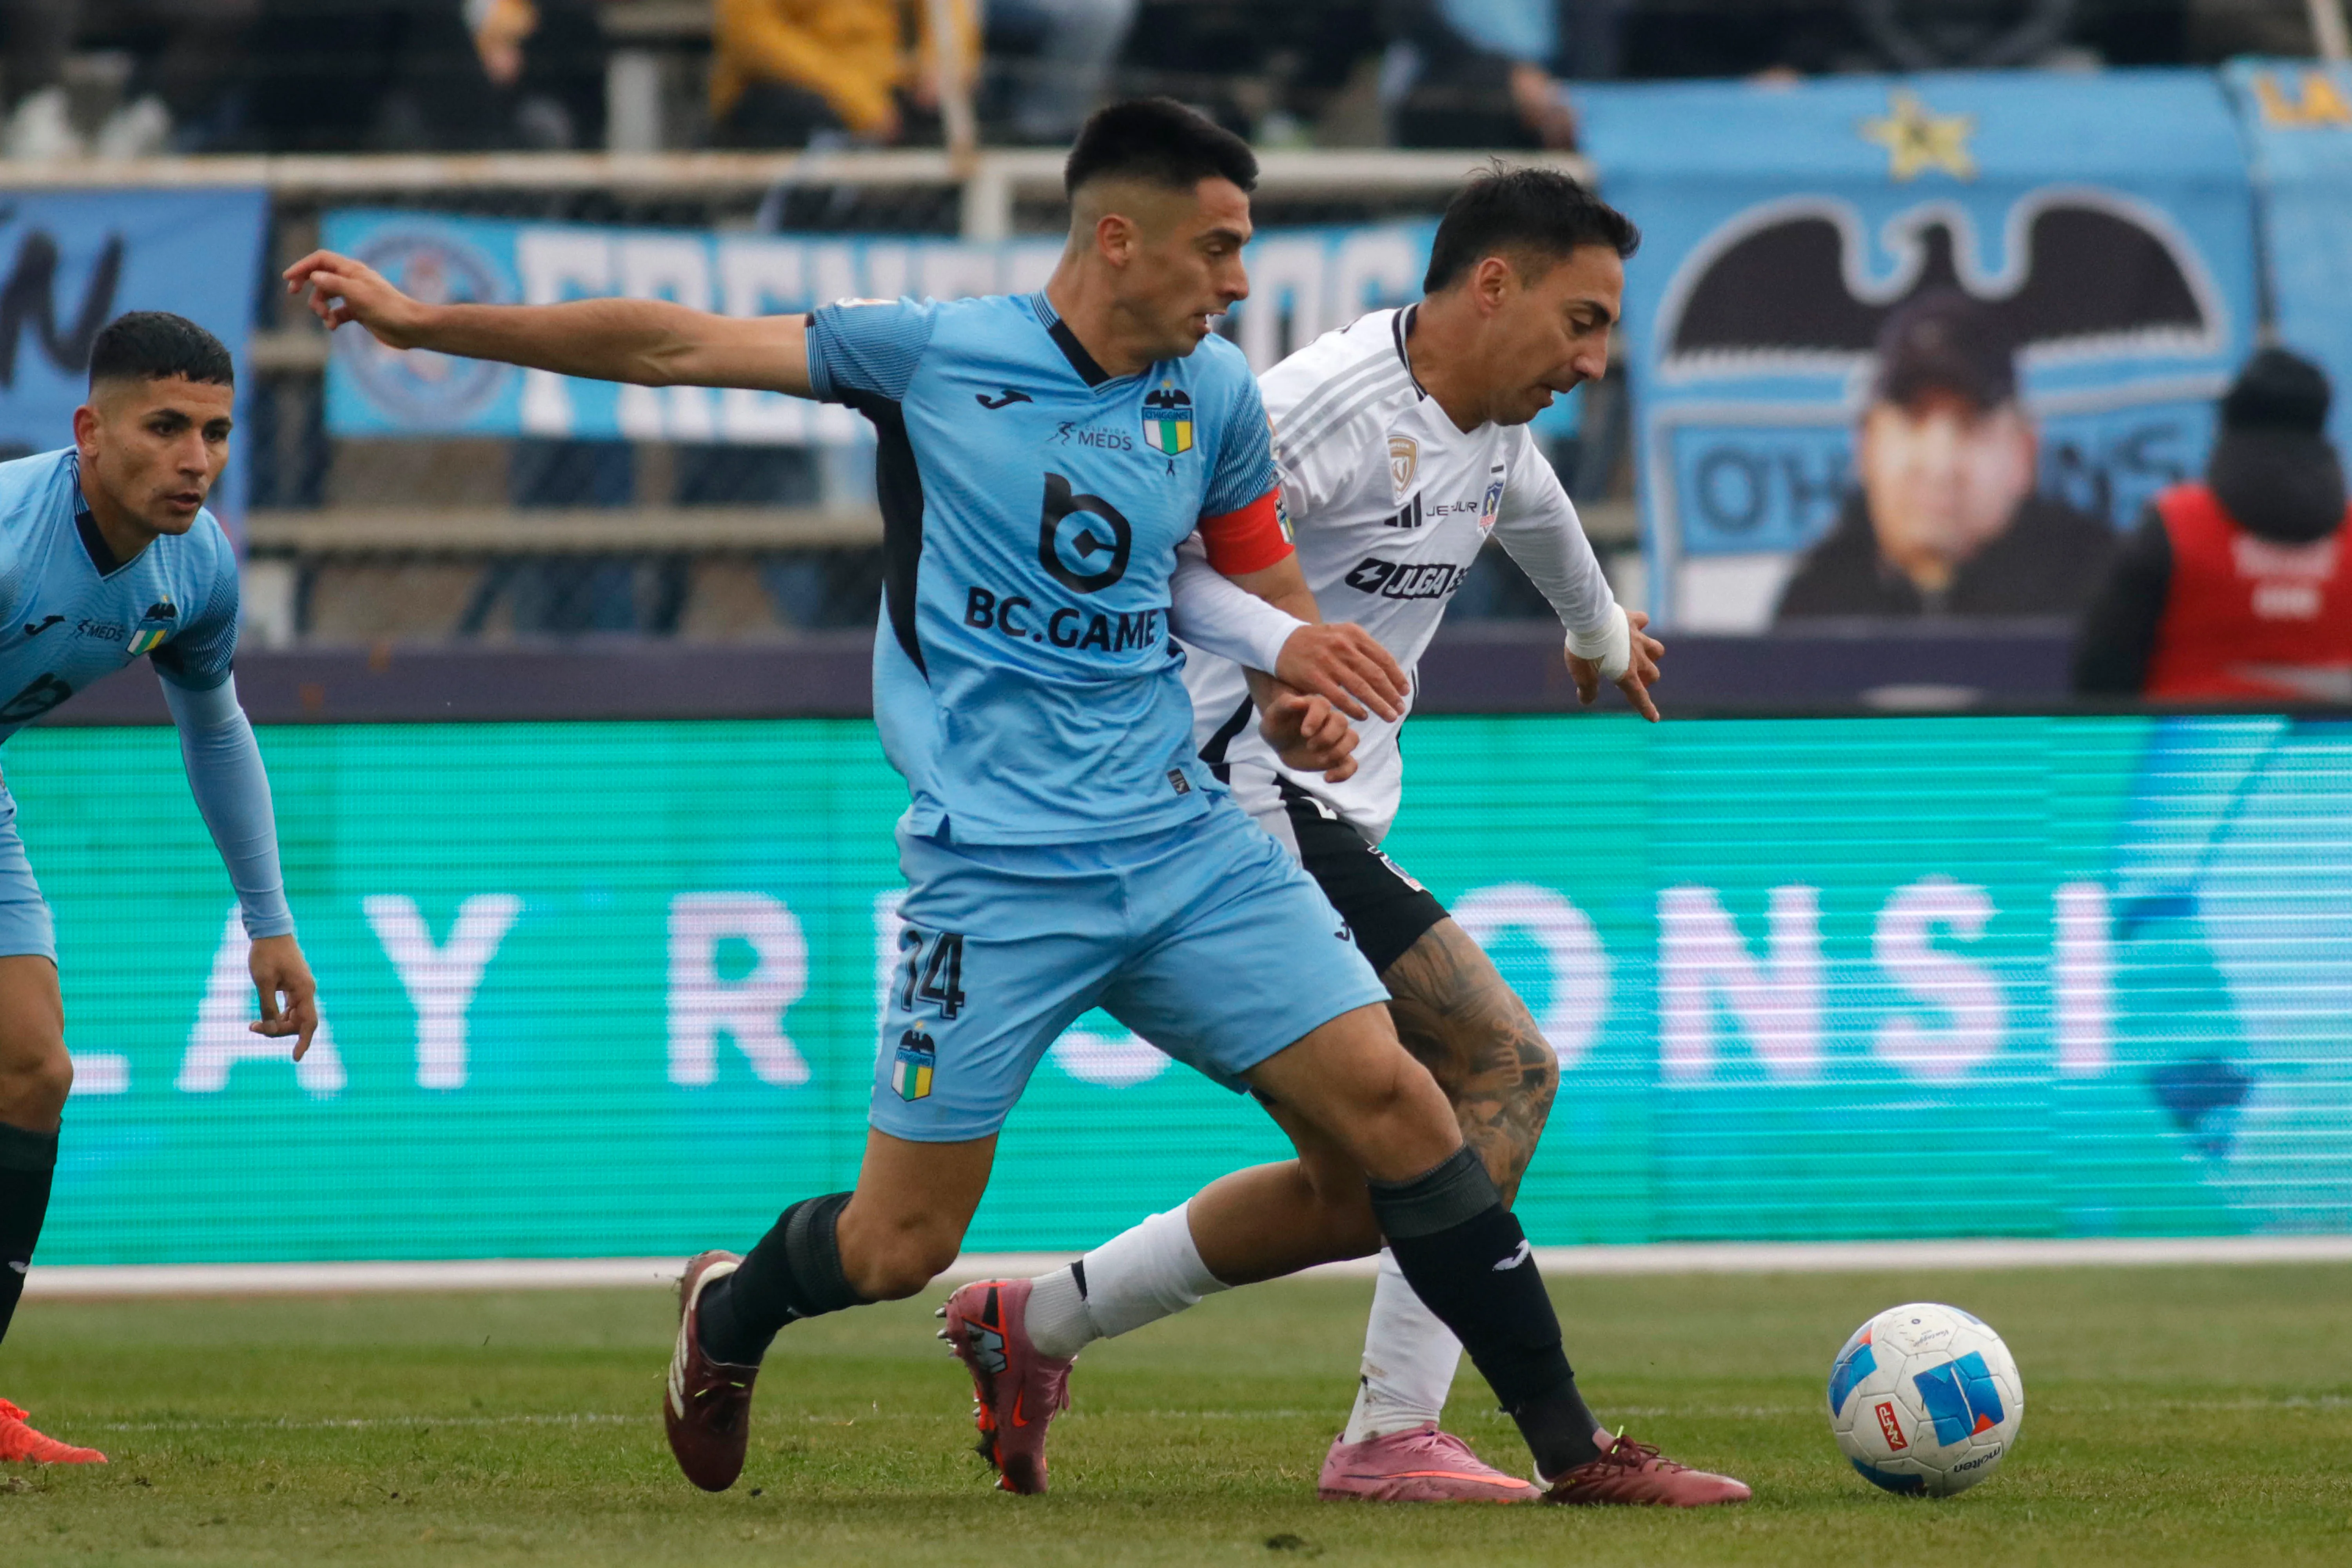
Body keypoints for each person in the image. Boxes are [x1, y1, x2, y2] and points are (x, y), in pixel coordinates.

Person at [284, 95, 1733, 1511]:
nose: (1239, 283)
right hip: (996, 871)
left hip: (1187, 843)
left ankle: (1569, 1449)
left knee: (1406, 1115)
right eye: (1219, 249)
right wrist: (426, 325)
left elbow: (1261, 578)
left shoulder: (1216, 394)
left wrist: (1297, 678)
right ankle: (731, 1312)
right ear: (1119, 240)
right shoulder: (936, 356)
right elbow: (667, 341)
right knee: (896, 1241)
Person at [946, 166, 1747, 1508]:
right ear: (1494, 285)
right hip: (1228, 798)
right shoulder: (1314, 407)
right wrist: (1277, 665)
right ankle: (1399, 1433)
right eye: (1584, 321)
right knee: (1502, 1067)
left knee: (1352, 1188)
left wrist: (1600, 634)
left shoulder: (1487, 420)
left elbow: (1534, 511)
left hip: (1310, 809)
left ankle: (1033, 1327)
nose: (1598, 361)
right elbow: (1163, 551)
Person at [0, 312, 319, 1465]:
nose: (197, 459)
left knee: (33, 1069)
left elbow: (215, 726)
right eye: (166, 427)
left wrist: (269, 923)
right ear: (90, 431)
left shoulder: (198, 567)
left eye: (218, 432)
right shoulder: (8, 542)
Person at [1774, 289, 2113, 622]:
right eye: (1913, 421)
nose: (1940, 465)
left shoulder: (2101, 598)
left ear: (2024, 453)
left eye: (1971, 426)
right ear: (1866, 447)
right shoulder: (1816, 606)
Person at [2074, 347, 2352, 701]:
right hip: (2331, 755)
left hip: (2184, 753)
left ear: (2229, 422)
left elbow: (2102, 668)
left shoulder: (2175, 527)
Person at [710, 0, 977, 149]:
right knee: (812, 117)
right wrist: (855, 98)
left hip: (882, 87)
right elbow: (750, 35)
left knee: (967, 117)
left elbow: (950, 12)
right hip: (779, 88)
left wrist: (940, 64)